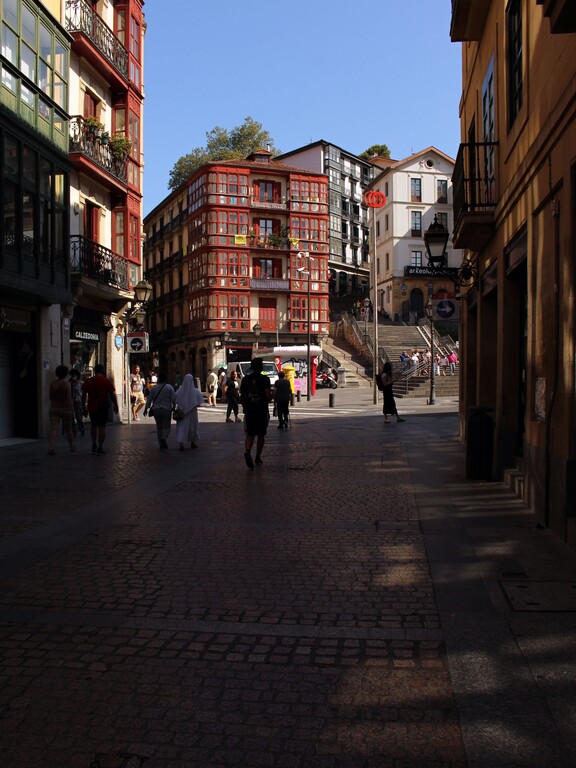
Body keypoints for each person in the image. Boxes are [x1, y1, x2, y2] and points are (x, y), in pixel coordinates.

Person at [240, 357, 272, 468]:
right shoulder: (265, 379)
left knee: (250, 433)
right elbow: (268, 396)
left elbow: (242, 396)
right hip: (262, 410)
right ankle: (258, 457)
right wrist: (273, 395)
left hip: (249, 410)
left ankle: (247, 451)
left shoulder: (245, 379)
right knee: (261, 435)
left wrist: (245, 407)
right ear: (261, 367)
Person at [82, 363, 118, 455]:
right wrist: (116, 405)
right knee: (102, 427)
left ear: (94, 371)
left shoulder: (88, 381)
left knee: (93, 425)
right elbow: (112, 394)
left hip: (92, 406)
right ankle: (100, 447)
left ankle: (94, 443)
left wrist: (83, 407)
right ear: (103, 371)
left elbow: (83, 395)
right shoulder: (105, 381)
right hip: (102, 406)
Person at [143, 371, 176, 450]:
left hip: (156, 409)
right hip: (166, 409)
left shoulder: (154, 388)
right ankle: (164, 438)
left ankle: (161, 444)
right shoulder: (169, 387)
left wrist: (146, 408)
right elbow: (173, 398)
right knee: (167, 426)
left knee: (159, 427)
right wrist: (174, 407)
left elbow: (149, 399)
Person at [48, 364, 74, 455]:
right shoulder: (67, 385)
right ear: (66, 374)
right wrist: (72, 410)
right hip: (65, 409)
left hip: (54, 408)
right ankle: (71, 447)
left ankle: (51, 448)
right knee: (68, 429)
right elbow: (69, 398)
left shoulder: (53, 384)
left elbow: (50, 397)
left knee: (54, 429)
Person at [174, 374, 204, 450]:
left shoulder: (179, 391)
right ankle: (193, 442)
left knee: (182, 427)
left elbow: (175, 399)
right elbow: (199, 403)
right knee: (192, 427)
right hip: (192, 413)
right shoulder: (196, 391)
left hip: (182, 413)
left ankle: (182, 443)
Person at [69, 368, 84, 437]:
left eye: (74, 375)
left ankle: (81, 429)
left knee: (78, 417)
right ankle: (73, 431)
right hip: (71, 401)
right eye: (72, 375)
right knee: (71, 417)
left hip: (78, 401)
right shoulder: (69, 383)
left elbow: (83, 393)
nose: (73, 376)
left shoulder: (81, 383)